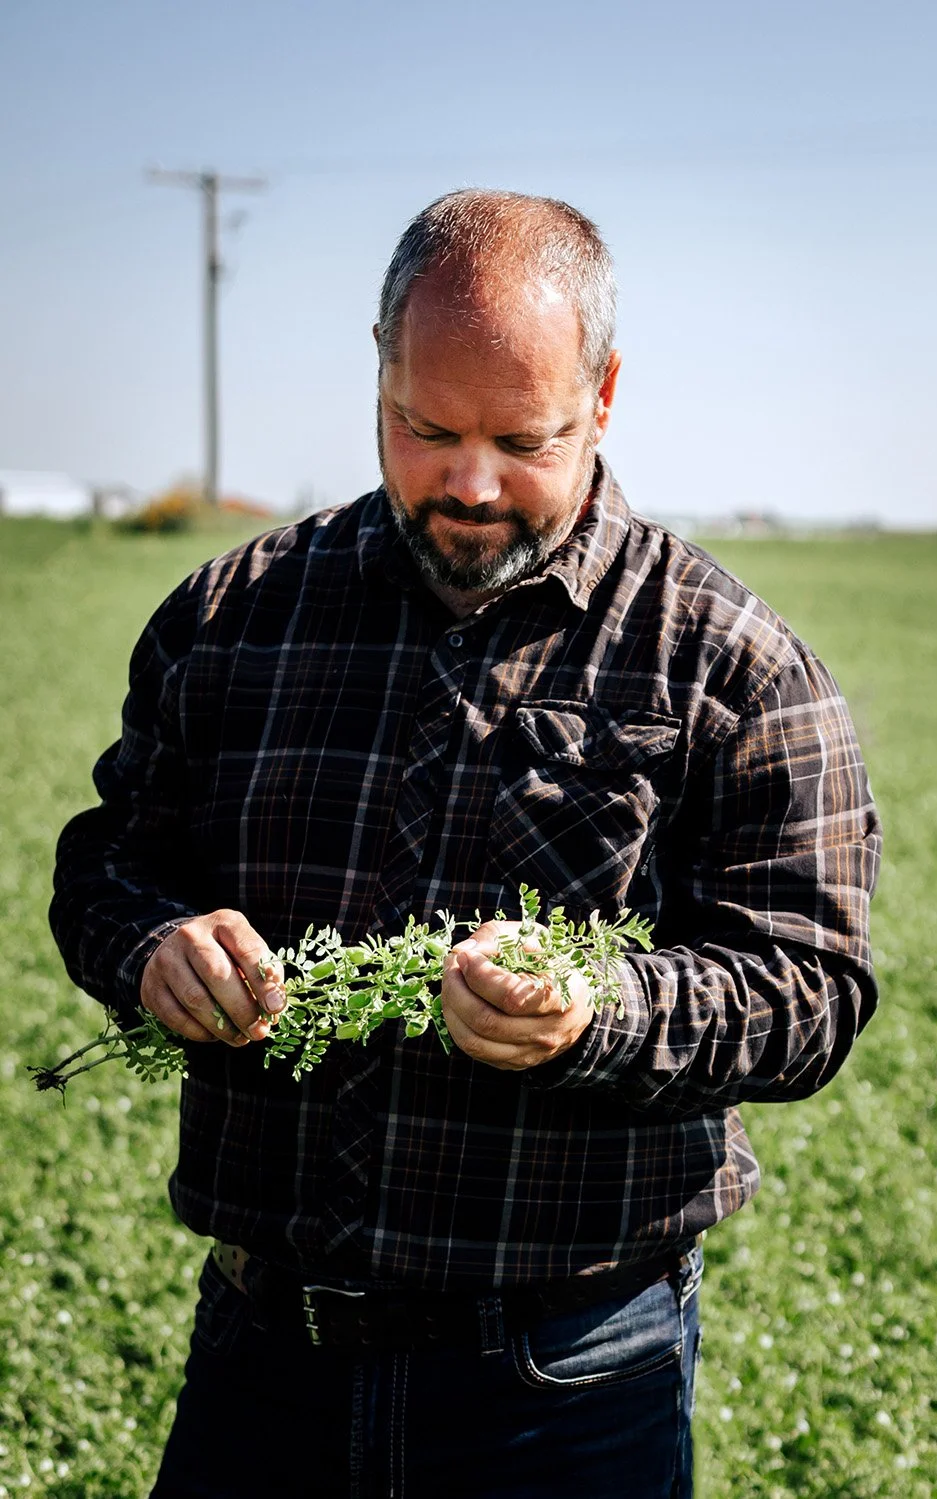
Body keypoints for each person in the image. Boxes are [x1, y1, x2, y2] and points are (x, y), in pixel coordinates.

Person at [50, 189, 881, 1498]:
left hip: (564, 1386)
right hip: (268, 1355)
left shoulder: (730, 664)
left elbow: (812, 986)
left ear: (603, 396)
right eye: (427, 430)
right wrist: (151, 946)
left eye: (522, 437)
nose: (470, 483)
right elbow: (105, 861)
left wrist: (601, 1008)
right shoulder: (231, 619)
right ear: (379, 369)